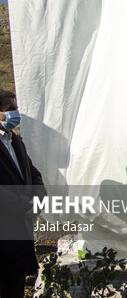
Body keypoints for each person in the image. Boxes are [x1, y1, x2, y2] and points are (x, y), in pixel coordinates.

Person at [0, 90, 46, 298]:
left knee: (15, 288)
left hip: (19, 237)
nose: (15, 114)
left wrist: (37, 199)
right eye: (10, 109)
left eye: (16, 108)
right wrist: (23, 205)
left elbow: (33, 175)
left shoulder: (16, 142)